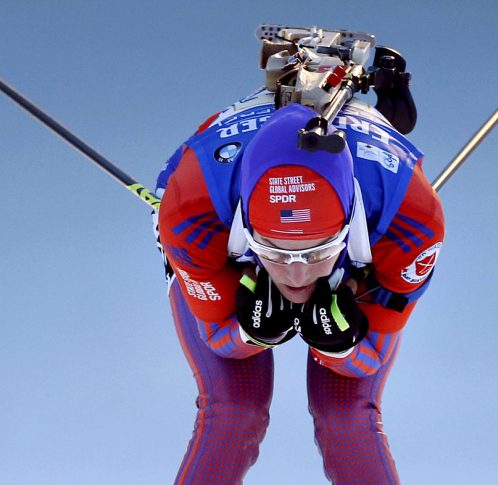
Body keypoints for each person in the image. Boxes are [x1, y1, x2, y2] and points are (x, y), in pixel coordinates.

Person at [154, 87, 444, 484]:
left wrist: (340, 345)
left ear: (346, 229)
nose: (296, 275)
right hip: (216, 220)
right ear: (248, 230)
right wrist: (251, 332)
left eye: (315, 253)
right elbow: (218, 339)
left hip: (366, 231)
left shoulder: (411, 222)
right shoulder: (190, 213)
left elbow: (370, 356)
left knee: (345, 416)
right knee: (235, 410)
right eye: (272, 250)